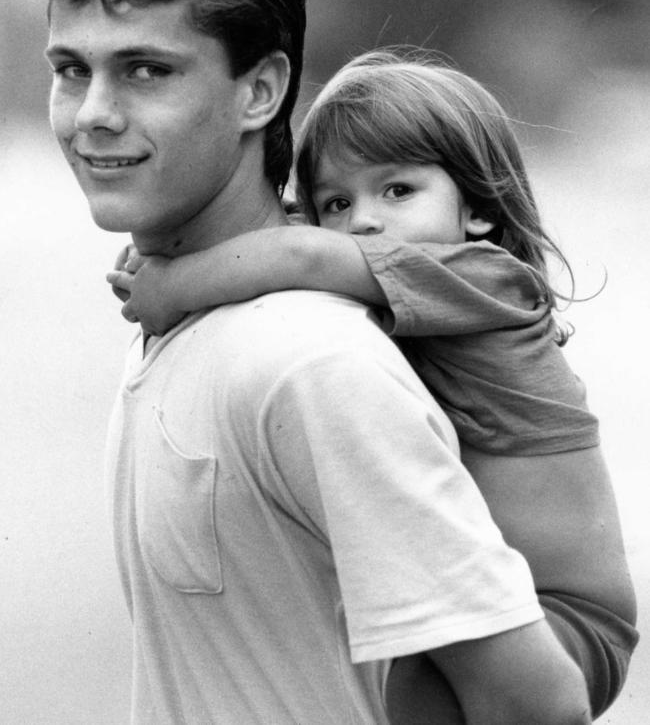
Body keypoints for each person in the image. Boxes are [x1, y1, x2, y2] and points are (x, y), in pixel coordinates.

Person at [45, 0, 593, 725]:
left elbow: (537, 707)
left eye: (147, 70)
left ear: (260, 92)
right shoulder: (205, 326)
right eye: (70, 70)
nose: (93, 115)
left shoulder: (310, 363)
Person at [109, 49, 639, 720]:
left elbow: (300, 252)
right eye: (339, 201)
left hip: (570, 619)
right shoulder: (414, 272)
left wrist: (173, 287)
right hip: (510, 591)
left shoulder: (483, 277)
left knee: (412, 687)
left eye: (397, 191)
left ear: (477, 206)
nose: (363, 221)